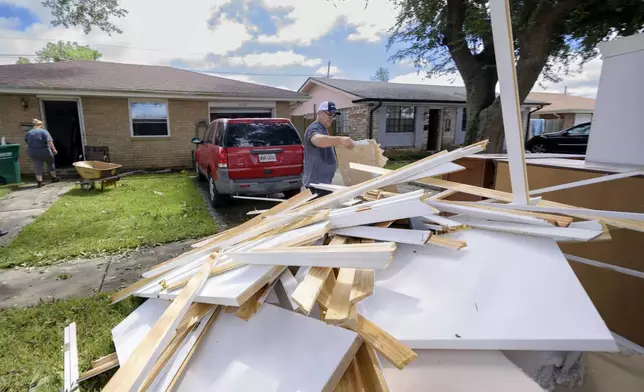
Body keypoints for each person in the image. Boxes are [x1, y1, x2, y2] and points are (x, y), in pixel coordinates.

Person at [303, 101, 355, 197]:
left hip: (323, 184)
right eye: (329, 114)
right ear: (319, 113)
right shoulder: (314, 128)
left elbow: (326, 142)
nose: (331, 118)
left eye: (333, 116)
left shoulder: (323, 129)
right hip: (316, 185)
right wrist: (340, 139)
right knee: (320, 211)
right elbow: (317, 140)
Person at [25, 119, 59, 188]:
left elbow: (27, 141)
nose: (42, 126)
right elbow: (49, 141)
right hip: (44, 150)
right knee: (50, 163)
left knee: (38, 165)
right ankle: (54, 178)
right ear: (40, 125)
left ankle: (39, 182)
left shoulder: (29, 133)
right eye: (42, 125)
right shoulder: (44, 131)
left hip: (32, 151)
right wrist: (54, 149)